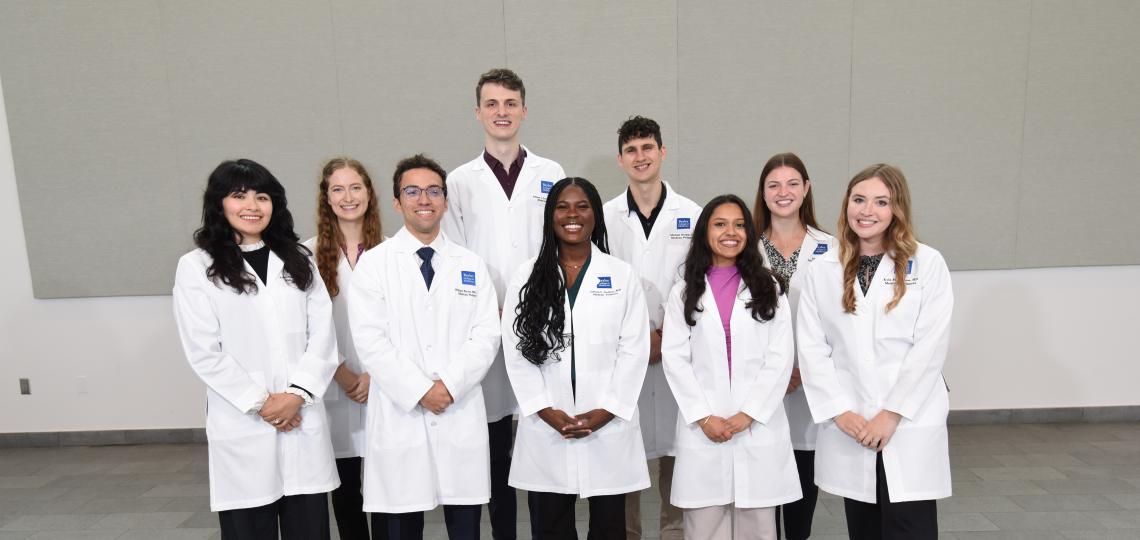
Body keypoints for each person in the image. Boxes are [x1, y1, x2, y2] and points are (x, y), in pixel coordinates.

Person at [173, 159, 339, 540]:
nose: (252, 205)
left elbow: (323, 336)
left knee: (309, 527)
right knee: (249, 528)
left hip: (301, 415)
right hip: (244, 421)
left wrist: (296, 395)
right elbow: (204, 351)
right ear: (219, 203)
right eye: (239, 196)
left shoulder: (300, 259)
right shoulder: (196, 267)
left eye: (262, 197)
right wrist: (263, 403)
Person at [442, 68, 567, 540]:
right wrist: (485, 309)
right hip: (485, 325)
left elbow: (561, 245)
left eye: (510, 103)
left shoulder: (550, 174)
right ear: (478, 113)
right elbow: (455, 255)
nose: (501, 112)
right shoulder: (459, 181)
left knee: (541, 433)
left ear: (524, 111)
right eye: (492, 104)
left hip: (541, 323)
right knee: (494, 442)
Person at [797, 164, 953, 540]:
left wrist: (892, 413)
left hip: (909, 421)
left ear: (897, 208)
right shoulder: (823, 269)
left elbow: (929, 347)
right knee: (863, 527)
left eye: (881, 202)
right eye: (859, 200)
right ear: (846, 204)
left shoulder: (928, 263)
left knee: (910, 525)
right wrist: (839, 410)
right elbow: (812, 347)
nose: (867, 211)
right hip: (852, 421)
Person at [349, 154, 501, 540]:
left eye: (434, 191)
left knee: (465, 524)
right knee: (401, 522)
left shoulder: (471, 264)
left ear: (446, 202)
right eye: (412, 191)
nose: (424, 200)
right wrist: (420, 390)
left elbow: (486, 335)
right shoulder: (375, 264)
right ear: (397, 202)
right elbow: (370, 340)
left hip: (458, 406)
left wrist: (448, 386)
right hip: (400, 413)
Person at [501, 177, 650, 540]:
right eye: (562, 207)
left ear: (595, 215)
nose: (572, 215)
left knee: (610, 529)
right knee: (550, 529)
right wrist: (544, 409)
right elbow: (516, 350)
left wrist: (607, 411)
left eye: (582, 206)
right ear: (550, 216)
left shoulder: (620, 275)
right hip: (547, 424)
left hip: (608, 424)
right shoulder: (526, 277)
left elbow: (634, 350)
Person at [660, 195, 801, 540]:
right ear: (704, 232)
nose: (730, 232)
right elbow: (675, 359)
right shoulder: (684, 292)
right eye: (720, 224)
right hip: (703, 426)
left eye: (739, 225)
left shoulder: (769, 288)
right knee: (705, 526)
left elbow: (780, 357)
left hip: (757, 424)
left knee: (759, 526)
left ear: (749, 233)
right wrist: (703, 417)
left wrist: (748, 414)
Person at [601, 116, 698, 540]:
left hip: (677, 351)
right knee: (625, 464)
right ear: (620, 159)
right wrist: (641, 337)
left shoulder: (692, 215)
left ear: (662, 152)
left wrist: (666, 337)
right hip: (623, 354)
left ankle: (674, 534)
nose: (640, 157)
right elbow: (600, 286)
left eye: (647, 148)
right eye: (631, 150)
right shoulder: (604, 217)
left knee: (678, 466)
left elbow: (698, 284)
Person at [751, 152, 835, 540]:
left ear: (806, 189)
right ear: (763, 192)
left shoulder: (832, 248)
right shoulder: (745, 248)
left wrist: (807, 369)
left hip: (810, 383)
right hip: (760, 383)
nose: (783, 192)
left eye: (792, 184)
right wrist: (777, 372)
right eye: (774, 185)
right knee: (762, 491)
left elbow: (842, 321)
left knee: (802, 487)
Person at [305, 157, 385, 540]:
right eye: (337, 189)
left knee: (387, 487)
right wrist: (340, 371)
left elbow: (406, 324)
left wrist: (375, 374)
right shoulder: (305, 255)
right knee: (345, 488)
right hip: (334, 383)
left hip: (383, 382)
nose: (348, 197)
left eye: (355, 187)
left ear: (369, 193)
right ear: (326, 197)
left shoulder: (392, 252)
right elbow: (304, 325)